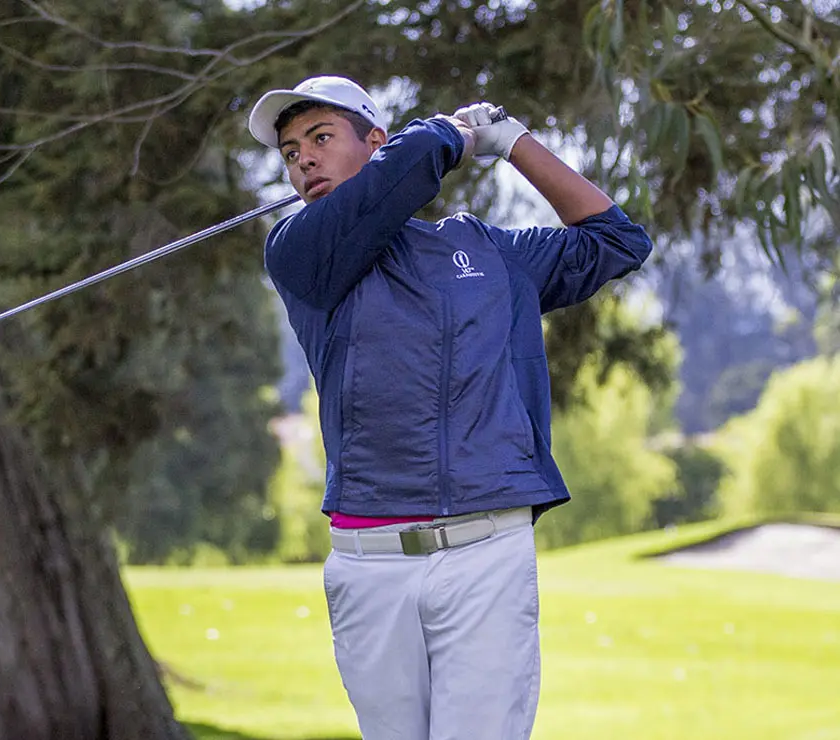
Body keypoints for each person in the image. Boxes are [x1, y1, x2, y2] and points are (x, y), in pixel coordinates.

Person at [247, 76, 653, 739]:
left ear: (375, 143)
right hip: (368, 559)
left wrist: (512, 142)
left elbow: (616, 240)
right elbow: (398, 177)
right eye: (290, 153)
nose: (304, 160)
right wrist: (443, 134)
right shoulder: (299, 254)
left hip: (485, 552)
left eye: (320, 138)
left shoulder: (485, 251)